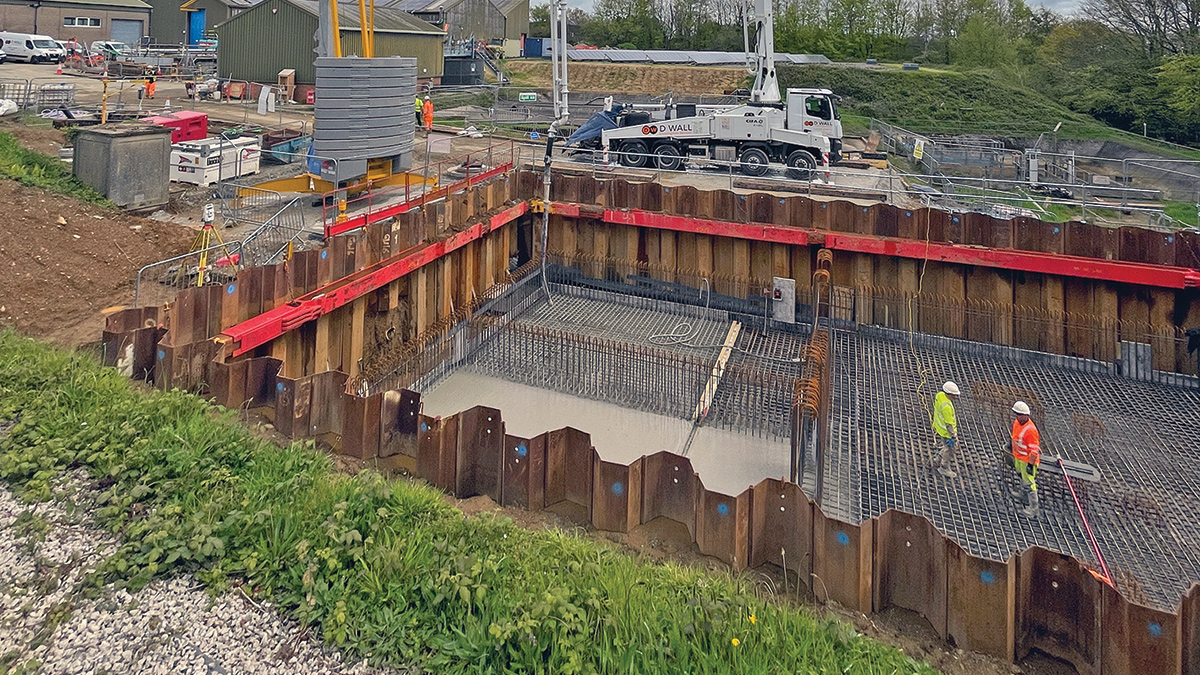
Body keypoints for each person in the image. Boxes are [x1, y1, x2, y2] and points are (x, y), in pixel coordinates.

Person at [1010, 401, 1041, 517]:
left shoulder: (1031, 430)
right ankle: (1023, 495)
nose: (1017, 417)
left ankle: (1034, 509)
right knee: (1021, 477)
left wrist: (1030, 465)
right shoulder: (1017, 423)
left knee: (1029, 483)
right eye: (1016, 414)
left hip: (1027, 460)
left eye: (1019, 414)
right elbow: (1015, 437)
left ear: (1026, 415)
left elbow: (1034, 450)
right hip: (1018, 457)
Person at [931, 381, 961, 477]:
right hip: (946, 432)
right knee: (950, 449)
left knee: (945, 446)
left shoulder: (940, 395)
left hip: (939, 428)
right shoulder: (947, 407)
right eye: (954, 395)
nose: (955, 397)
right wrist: (954, 436)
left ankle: (938, 458)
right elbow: (949, 425)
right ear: (949, 394)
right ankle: (943, 468)